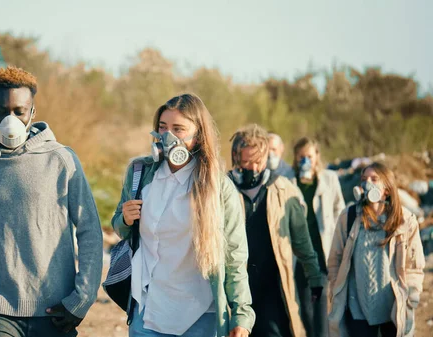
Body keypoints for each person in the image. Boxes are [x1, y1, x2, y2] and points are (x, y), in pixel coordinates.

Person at [0, 66, 103, 337]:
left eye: (19, 111)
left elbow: (90, 230)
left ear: (32, 112)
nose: (11, 119)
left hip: (56, 312)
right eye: (1, 110)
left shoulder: (61, 160)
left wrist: (81, 300)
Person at [112, 94, 254, 337]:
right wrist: (124, 219)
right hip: (148, 311)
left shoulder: (219, 187)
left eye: (178, 129)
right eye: (163, 127)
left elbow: (234, 255)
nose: (168, 136)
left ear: (197, 135)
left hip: (199, 315)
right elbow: (122, 228)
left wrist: (241, 314)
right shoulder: (140, 172)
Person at [228, 124, 325, 337]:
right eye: (246, 162)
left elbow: (302, 241)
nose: (252, 168)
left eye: (258, 162)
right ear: (235, 158)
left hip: (274, 288)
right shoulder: (224, 189)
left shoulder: (283, 190)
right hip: (235, 289)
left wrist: (314, 277)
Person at [328, 162, 425, 337]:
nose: (367, 183)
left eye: (374, 179)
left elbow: (414, 266)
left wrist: (411, 296)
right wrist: (336, 290)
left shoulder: (405, 221)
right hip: (357, 310)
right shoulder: (348, 217)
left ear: (387, 189)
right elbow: (335, 259)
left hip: (392, 311)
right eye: (364, 179)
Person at [291, 137, 345, 337]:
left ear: (317, 157)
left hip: (321, 253)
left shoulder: (329, 178)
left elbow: (339, 207)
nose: (306, 160)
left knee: (320, 306)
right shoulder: (289, 181)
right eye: (301, 157)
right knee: (305, 309)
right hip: (299, 255)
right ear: (295, 158)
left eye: (309, 156)